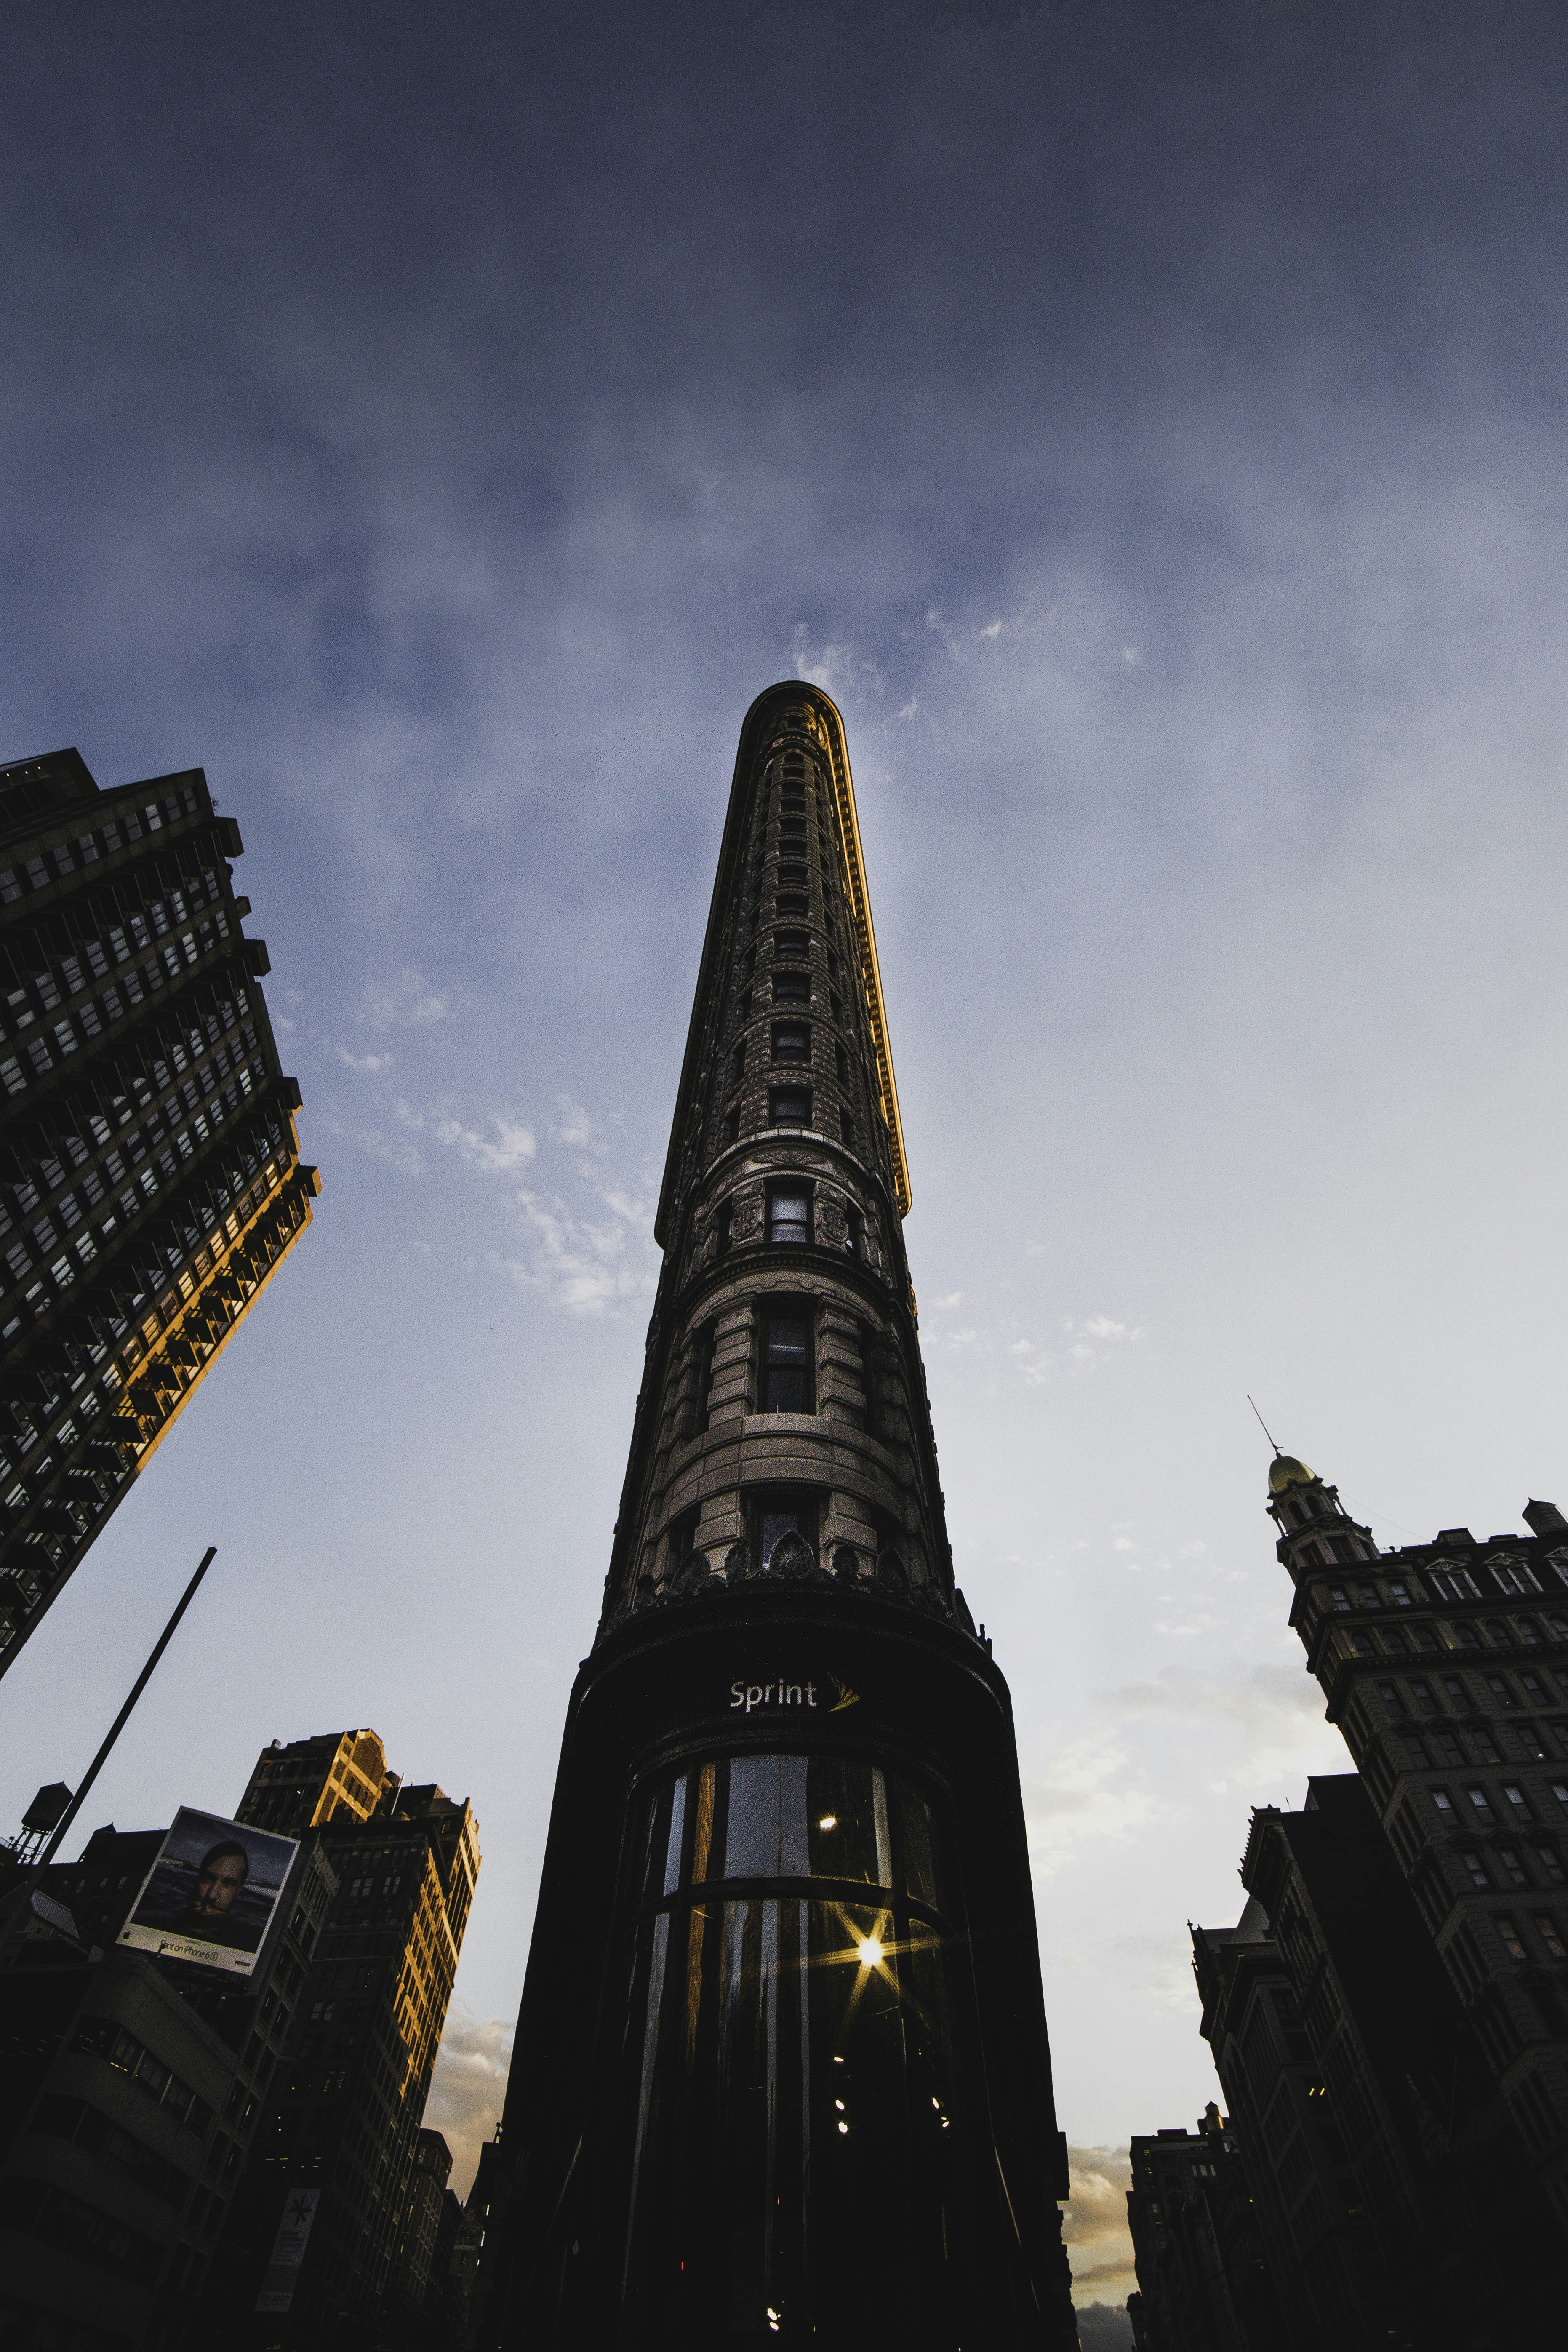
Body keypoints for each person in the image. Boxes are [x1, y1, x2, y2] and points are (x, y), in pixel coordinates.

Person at [177, 1838, 254, 1947]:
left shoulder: (245, 1938)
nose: (212, 1895)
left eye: (228, 1884)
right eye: (208, 1879)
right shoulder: (171, 1909)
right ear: (199, 1878)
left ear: (239, 1890)